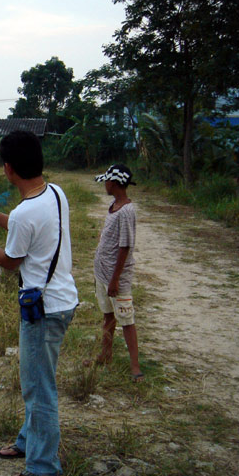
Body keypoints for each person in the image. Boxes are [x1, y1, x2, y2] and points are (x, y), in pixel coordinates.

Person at [0, 130, 79, 476]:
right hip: (62, 300)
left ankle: (42, 465)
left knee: (39, 388)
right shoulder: (55, 193)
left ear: (8, 168)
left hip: (44, 310)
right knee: (37, 378)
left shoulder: (27, 212)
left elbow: (10, 260)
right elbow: (26, 227)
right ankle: (27, 442)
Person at [88, 164, 143, 383]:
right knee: (108, 315)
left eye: (106, 182)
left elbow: (125, 246)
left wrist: (115, 278)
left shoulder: (127, 211)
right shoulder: (113, 206)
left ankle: (135, 366)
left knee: (126, 319)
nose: (104, 185)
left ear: (114, 183)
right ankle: (105, 354)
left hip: (115, 277)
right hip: (103, 273)